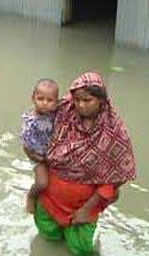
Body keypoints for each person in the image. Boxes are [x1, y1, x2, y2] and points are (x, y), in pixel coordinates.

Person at [34, 72, 136, 256]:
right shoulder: (63, 112)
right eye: (77, 100)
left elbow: (114, 179)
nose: (80, 105)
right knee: (48, 238)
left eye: (87, 100)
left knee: (81, 249)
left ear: (101, 100)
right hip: (49, 201)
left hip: (81, 209)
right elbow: (35, 127)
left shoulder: (113, 132)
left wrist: (87, 210)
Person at [20, 78, 59, 214]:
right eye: (40, 98)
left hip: (53, 153)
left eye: (49, 100)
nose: (44, 103)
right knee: (42, 183)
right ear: (33, 97)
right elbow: (27, 144)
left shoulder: (55, 113)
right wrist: (38, 157)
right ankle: (31, 196)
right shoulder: (30, 121)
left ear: (56, 102)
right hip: (38, 155)